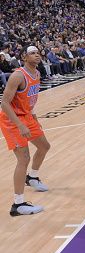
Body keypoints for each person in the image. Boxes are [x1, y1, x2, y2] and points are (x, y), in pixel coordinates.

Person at [0, 46, 51, 216]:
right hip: (11, 118)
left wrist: (33, 115)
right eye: (32, 53)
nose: (37, 55)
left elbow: (29, 98)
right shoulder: (18, 75)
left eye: (38, 53)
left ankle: (33, 178)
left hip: (26, 115)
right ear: (23, 57)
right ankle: (18, 204)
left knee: (44, 146)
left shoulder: (36, 73)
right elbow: (5, 103)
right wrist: (20, 125)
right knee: (24, 158)